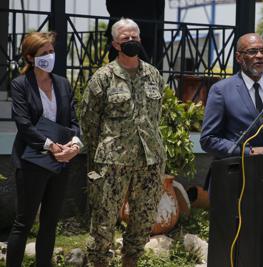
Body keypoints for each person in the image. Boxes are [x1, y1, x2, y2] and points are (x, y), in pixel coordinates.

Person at [80, 18, 166, 267]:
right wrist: (101, 154)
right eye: (126, 39)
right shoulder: (103, 78)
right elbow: (89, 121)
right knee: (104, 223)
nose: (131, 42)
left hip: (149, 161)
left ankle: (131, 262)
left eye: (135, 38)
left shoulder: (153, 75)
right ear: (115, 44)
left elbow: (156, 116)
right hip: (112, 163)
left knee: (143, 221)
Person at [6, 32, 82, 267]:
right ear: (30, 57)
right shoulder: (20, 85)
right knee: (24, 223)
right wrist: (50, 146)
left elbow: (74, 121)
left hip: (61, 162)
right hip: (31, 162)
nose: (50, 56)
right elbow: (24, 124)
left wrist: (75, 146)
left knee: (50, 223)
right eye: (44, 53)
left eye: (51, 51)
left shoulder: (62, 83)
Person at [200, 33, 263, 159]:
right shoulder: (221, 90)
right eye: (252, 51)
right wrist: (248, 151)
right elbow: (208, 140)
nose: (259, 56)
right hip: (236, 173)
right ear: (239, 57)